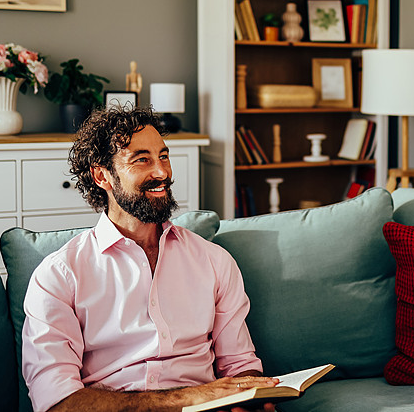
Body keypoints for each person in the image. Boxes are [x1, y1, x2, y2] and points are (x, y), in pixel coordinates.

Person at [22, 107, 278, 412]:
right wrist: (188, 398)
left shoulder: (214, 261)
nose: (162, 172)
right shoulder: (60, 275)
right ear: (101, 175)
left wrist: (250, 395)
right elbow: (57, 403)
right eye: (142, 159)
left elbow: (239, 365)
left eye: (164, 157)